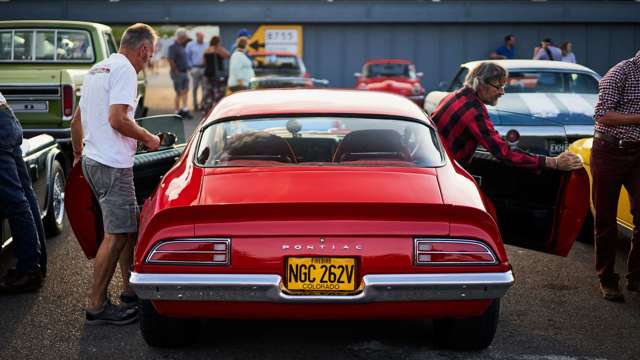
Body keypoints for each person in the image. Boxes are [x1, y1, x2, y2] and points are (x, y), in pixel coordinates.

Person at [70, 23, 160, 325]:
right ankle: (96, 305)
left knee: (126, 225)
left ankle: (130, 289)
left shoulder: (98, 69)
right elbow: (118, 119)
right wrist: (148, 138)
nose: (148, 61)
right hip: (112, 164)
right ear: (143, 49)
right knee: (118, 232)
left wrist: (79, 155)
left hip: (94, 160)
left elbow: (76, 122)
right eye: (150, 55)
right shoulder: (125, 70)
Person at [431, 62, 582, 172]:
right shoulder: (474, 111)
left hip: (438, 164)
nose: (502, 92)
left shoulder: (454, 96)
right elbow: (504, 153)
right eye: (498, 86)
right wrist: (552, 162)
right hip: (446, 171)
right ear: (480, 84)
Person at [591, 50, 640, 302]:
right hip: (609, 150)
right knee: (606, 219)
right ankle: (607, 279)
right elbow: (602, 114)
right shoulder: (621, 71)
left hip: (638, 152)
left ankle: (636, 277)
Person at [0, 92, 47, 294]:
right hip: (6, 115)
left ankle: (29, 270)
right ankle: (37, 264)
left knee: (16, 202)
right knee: (25, 198)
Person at [168, 28, 192, 119]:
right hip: (178, 73)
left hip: (184, 72)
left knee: (185, 90)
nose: (186, 38)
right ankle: (177, 112)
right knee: (179, 92)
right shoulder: (173, 47)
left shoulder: (182, 46)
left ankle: (185, 110)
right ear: (181, 36)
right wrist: (175, 71)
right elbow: (170, 59)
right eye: (185, 36)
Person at [203, 35, 230, 108]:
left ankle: (208, 107)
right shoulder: (218, 49)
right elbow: (227, 55)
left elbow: (204, 62)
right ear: (218, 42)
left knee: (208, 92)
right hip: (216, 74)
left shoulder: (206, 50)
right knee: (218, 92)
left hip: (207, 73)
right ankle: (217, 107)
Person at [186, 32, 208, 112]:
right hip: (195, 68)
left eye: (203, 37)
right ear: (197, 37)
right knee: (195, 88)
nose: (202, 38)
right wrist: (190, 68)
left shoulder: (206, 44)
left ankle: (203, 104)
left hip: (204, 68)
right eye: (200, 37)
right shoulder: (190, 45)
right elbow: (187, 57)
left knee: (205, 88)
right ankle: (195, 105)